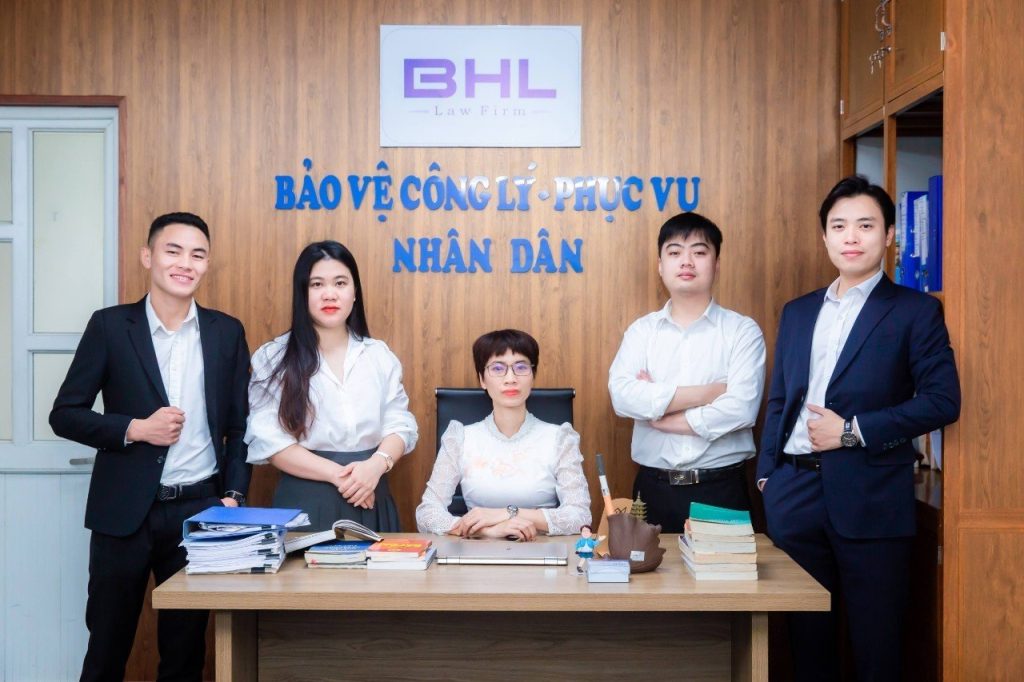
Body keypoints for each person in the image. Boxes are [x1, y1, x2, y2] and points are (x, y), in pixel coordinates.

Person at [757, 175, 961, 682]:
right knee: (807, 648)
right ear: (824, 236)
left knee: (876, 648)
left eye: (865, 225)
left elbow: (942, 401)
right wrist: (768, 476)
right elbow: (781, 398)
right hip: (795, 494)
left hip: (872, 496)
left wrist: (851, 431)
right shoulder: (799, 312)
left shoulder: (915, 311)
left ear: (889, 235)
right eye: (839, 226)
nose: (851, 236)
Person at [49, 212, 251, 682]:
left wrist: (233, 496)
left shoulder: (226, 332)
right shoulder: (109, 326)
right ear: (148, 256)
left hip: (199, 513)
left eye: (197, 254)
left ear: (207, 264)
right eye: (173, 251)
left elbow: (240, 427)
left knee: (185, 657)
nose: (185, 263)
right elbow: (65, 413)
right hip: (123, 514)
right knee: (106, 650)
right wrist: (136, 429)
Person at [608, 212, 766, 532]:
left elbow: (741, 409)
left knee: (725, 568)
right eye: (675, 252)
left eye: (699, 251)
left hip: (720, 489)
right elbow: (622, 397)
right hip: (652, 489)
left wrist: (662, 415)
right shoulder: (642, 332)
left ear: (716, 264)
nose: (686, 262)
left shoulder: (742, 331)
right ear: (660, 265)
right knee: (647, 567)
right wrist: (709, 393)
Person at [245, 240, 417, 532]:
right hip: (307, 502)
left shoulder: (378, 355)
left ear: (354, 292)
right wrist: (342, 477)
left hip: (371, 493)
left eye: (340, 283)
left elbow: (400, 425)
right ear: (302, 293)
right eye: (317, 284)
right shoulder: (273, 358)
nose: (329, 294)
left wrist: (375, 466)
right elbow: (269, 441)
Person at [416, 329, 591, 539]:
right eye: (498, 368)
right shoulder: (460, 438)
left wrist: (509, 513)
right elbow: (427, 514)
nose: (510, 378)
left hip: (542, 549)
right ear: (482, 379)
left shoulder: (559, 438)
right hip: (476, 548)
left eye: (521, 367)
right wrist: (486, 531)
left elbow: (580, 516)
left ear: (533, 376)